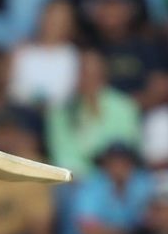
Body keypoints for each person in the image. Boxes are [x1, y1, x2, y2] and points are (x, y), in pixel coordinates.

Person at [44, 50, 141, 179]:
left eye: (94, 75)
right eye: (83, 74)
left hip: (119, 178)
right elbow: (63, 156)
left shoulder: (125, 107)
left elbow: (128, 147)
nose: (88, 80)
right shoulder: (60, 113)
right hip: (77, 180)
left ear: (103, 75)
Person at [73, 142, 149, 234]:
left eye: (123, 163)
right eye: (113, 163)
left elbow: (152, 224)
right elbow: (88, 231)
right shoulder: (92, 186)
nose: (118, 168)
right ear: (104, 165)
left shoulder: (143, 183)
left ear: (132, 165)